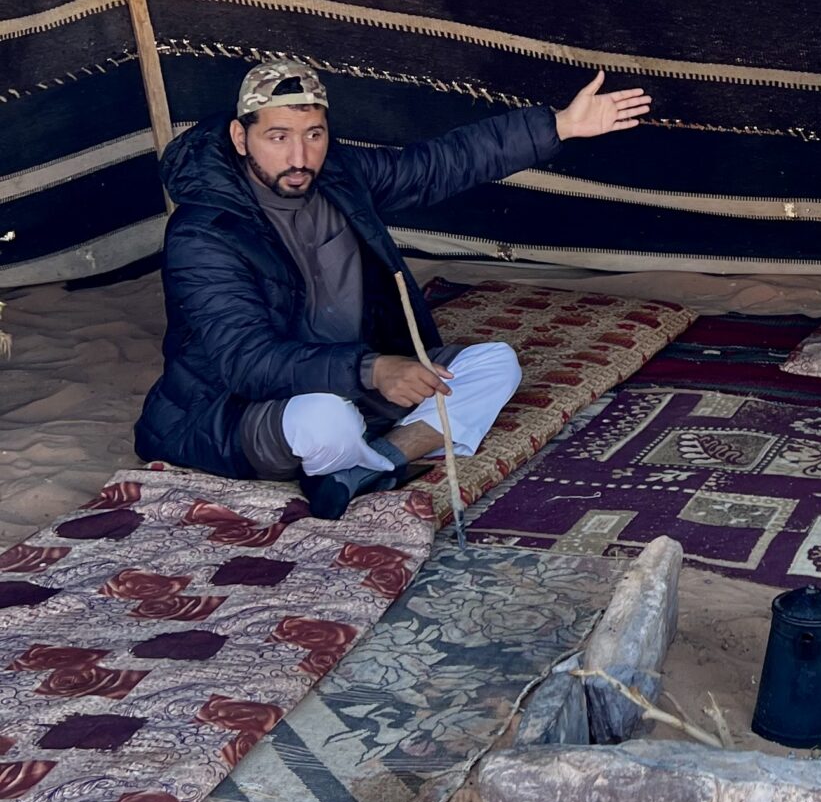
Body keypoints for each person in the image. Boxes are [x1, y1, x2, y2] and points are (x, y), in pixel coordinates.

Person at [135, 57, 651, 519]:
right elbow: (249, 363)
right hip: (238, 407)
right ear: (240, 136)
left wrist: (558, 125)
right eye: (278, 137)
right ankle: (363, 456)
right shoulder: (204, 233)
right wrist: (373, 369)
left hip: (355, 376)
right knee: (328, 422)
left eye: (313, 134)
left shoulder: (339, 176)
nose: (299, 156)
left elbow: (435, 166)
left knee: (495, 363)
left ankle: (370, 464)